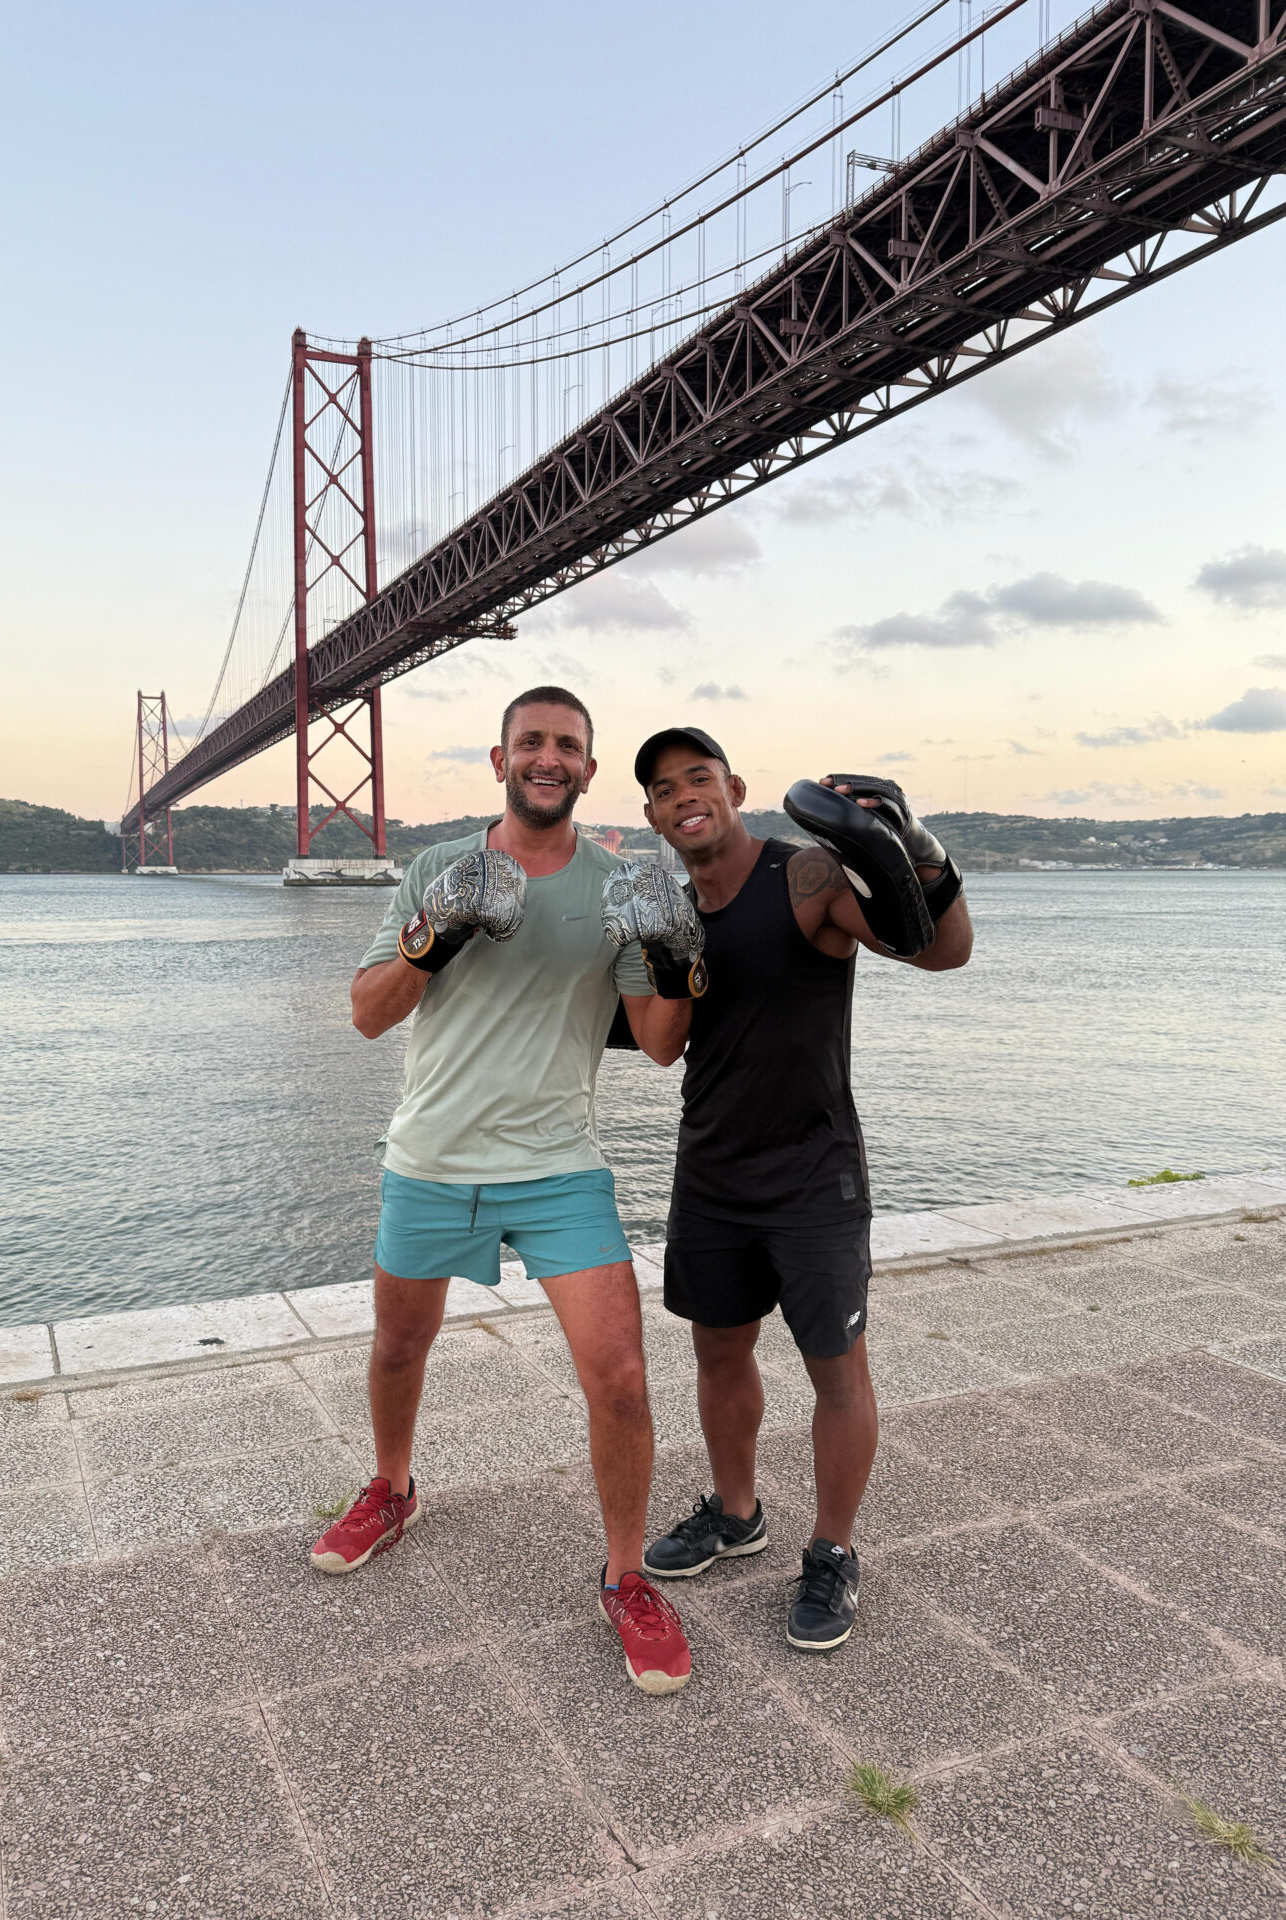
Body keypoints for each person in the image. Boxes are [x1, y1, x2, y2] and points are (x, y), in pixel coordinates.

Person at [308, 686, 706, 1696]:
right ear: (498, 759)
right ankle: (393, 1489)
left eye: (566, 746)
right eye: (531, 742)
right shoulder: (437, 868)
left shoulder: (618, 884)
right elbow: (365, 1017)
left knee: (619, 1376)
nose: (547, 758)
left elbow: (660, 1046)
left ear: (587, 768)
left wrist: (674, 951)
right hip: (432, 1157)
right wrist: (431, 935)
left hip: (558, 1164)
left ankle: (625, 1578)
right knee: (401, 1344)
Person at [618, 727, 972, 1650]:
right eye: (664, 788)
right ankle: (738, 1515)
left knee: (836, 1370)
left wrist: (920, 851)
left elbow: (940, 951)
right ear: (652, 815)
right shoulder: (662, 908)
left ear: (733, 787)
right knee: (719, 1355)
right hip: (712, 1173)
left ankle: (833, 1551)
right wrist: (665, 951)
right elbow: (659, 1044)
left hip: (815, 1175)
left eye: (699, 777)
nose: (684, 795)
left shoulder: (805, 875)